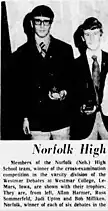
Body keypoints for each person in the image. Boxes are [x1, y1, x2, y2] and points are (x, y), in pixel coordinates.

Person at [14, 5, 74, 140]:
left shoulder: (65, 49)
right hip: (36, 120)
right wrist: (25, 118)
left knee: (63, 158)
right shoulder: (21, 54)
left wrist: (64, 92)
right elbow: (20, 90)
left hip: (61, 118)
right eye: (38, 21)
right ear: (31, 23)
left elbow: (72, 81)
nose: (42, 26)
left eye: (46, 22)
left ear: (51, 24)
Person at [72, 17, 108, 140]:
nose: (91, 38)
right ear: (83, 38)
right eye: (87, 34)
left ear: (101, 35)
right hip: (84, 124)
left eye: (95, 34)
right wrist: (81, 108)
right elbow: (72, 96)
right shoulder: (74, 65)